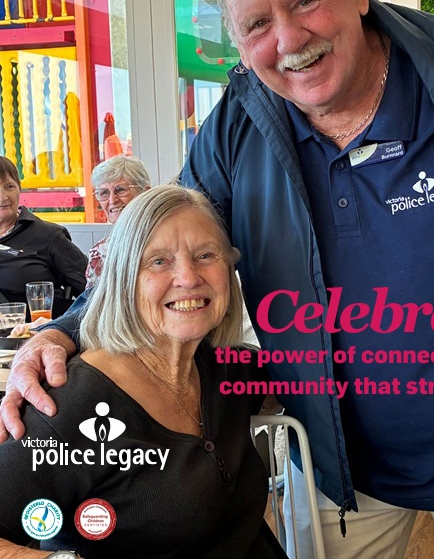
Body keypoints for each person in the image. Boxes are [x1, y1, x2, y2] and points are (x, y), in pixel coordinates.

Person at [2, 0, 434, 559]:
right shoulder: (239, 123)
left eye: (305, 1)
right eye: (257, 24)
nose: (288, 39)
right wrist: (64, 330)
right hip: (336, 470)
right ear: (237, 41)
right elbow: (160, 253)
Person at [0, 185, 286, 558]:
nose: (188, 277)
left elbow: (300, 386)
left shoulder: (225, 367)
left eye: (205, 255)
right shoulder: (69, 405)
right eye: (158, 261)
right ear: (123, 280)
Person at [0, 156, 87, 303]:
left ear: (19, 188)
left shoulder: (49, 236)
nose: (3, 197)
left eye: (9, 187)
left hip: (37, 317)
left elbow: (93, 289)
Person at [85, 154, 151, 290]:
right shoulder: (100, 253)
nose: (112, 200)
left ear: (145, 193)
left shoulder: (168, 240)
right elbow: (94, 301)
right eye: (104, 193)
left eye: (120, 190)